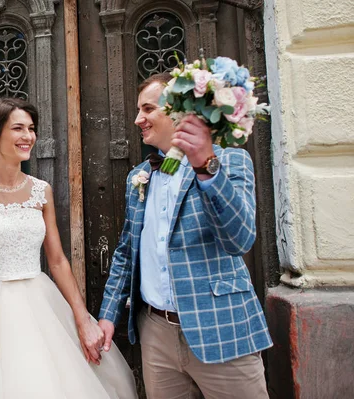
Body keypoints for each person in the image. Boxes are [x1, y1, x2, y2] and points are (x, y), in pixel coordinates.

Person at [0, 97, 137, 399]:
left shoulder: (41, 190)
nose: (28, 137)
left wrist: (81, 318)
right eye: (19, 128)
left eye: (32, 129)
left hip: (39, 305)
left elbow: (58, 260)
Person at [98, 74, 273, 399]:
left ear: (178, 111)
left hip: (222, 330)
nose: (138, 119)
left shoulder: (229, 161)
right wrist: (108, 316)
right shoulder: (140, 176)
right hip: (156, 335)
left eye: (147, 109)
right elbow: (126, 252)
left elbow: (241, 238)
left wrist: (205, 167)